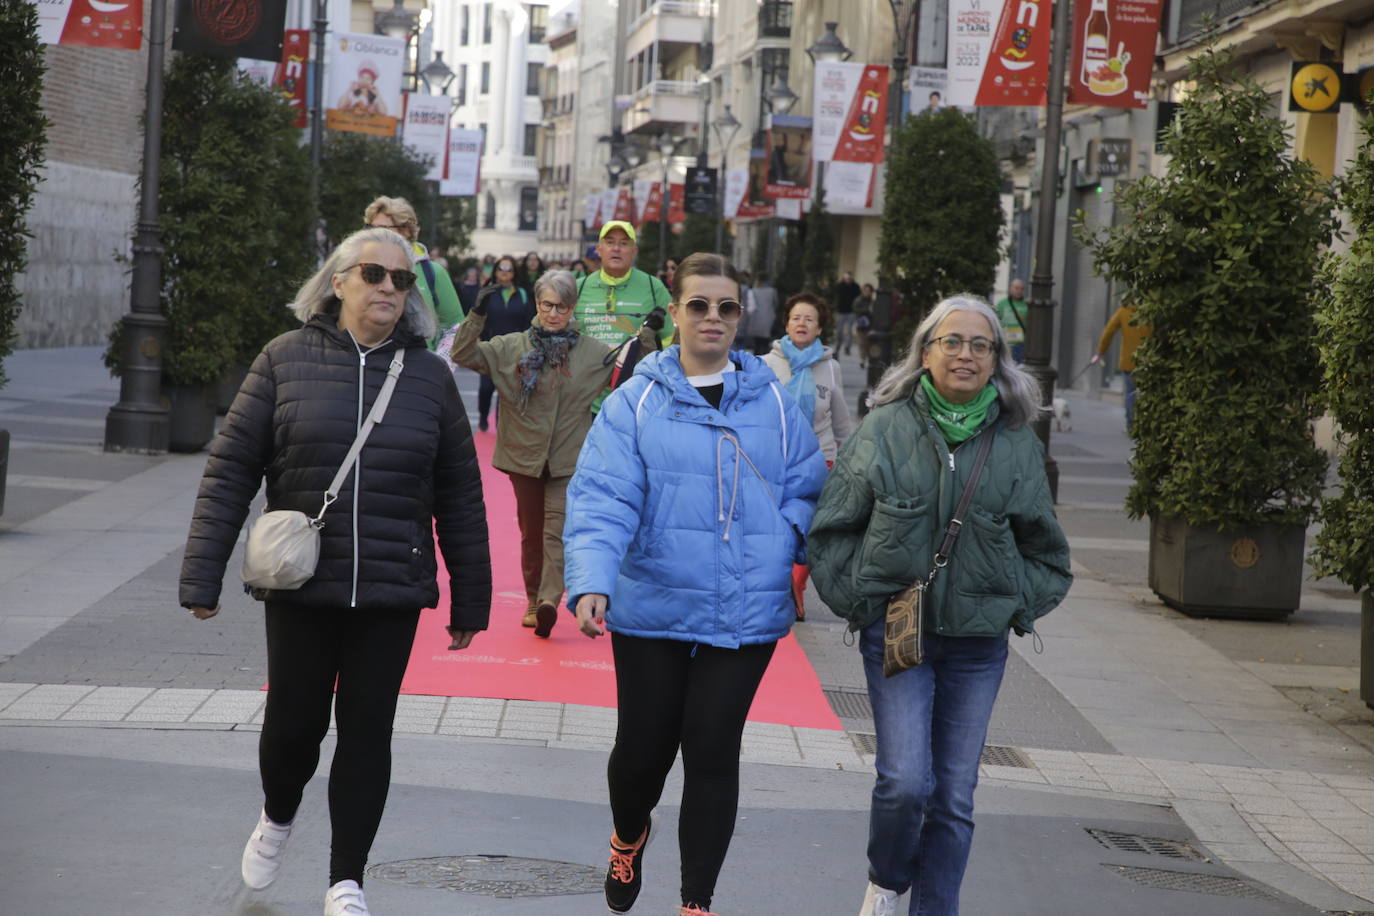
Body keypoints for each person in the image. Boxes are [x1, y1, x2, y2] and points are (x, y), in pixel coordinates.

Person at [179, 227, 493, 916]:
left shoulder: (430, 379)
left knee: (366, 731)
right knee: (293, 726)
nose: (388, 288)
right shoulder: (284, 360)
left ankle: (346, 879)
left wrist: (473, 598)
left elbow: (460, 494)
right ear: (338, 281)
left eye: (401, 280)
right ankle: (278, 811)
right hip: (302, 584)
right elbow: (232, 467)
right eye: (374, 274)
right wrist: (203, 574)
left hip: (390, 584)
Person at [563, 253, 828, 916]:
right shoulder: (637, 399)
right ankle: (629, 833)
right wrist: (593, 579)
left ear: (741, 317)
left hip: (746, 609)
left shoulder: (773, 395)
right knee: (643, 752)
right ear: (676, 313)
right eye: (699, 305)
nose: (713, 318)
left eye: (727, 308)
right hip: (652, 600)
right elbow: (602, 496)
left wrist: (784, 547)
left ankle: (695, 903)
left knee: (712, 747)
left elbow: (808, 485)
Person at [808, 295, 1071, 916]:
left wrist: (1009, 603)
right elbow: (831, 531)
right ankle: (887, 879)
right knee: (904, 782)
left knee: (953, 793)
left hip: (977, 648)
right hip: (900, 634)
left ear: (997, 362)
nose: (966, 354)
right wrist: (861, 603)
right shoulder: (884, 428)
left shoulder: (1016, 443)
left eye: (981, 345)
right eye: (952, 341)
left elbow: (1048, 555)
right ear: (924, 353)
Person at [450, 270, 661, 636]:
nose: (553, 313)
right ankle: (533, 599)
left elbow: (638, 370)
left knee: (556, 530)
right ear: (537, 304)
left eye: (561, 307)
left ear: (572, 308)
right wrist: (477, 315)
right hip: (523, 456)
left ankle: (548, 600)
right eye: (547, 305)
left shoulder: (594, 352)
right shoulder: (511, 347)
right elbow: (463, 353)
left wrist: (649, 334)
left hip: (569, 458)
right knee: (531, 533)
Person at [763, 292, 855, 621]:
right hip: (777, 459)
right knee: (779, 524)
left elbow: (841, 418)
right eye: (796, 318)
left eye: (810, 319)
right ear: (786, 324)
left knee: (812, 529)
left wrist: (851, 455)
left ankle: (796, 586)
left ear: (819, 329)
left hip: (821, 457)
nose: (802, 323)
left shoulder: (830, 367)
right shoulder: (766, 364)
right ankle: (779, 583)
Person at [573, 220, 676, 409]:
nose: (616, 249)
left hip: (636, 399)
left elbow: (671, 340)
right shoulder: (579, 288)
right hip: (585, 400)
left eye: (624, 243)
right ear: (599, 249)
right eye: (610, 242)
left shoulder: (654, 288)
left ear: (634, 251)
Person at [364, 197, 463, 349]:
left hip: (419, 368)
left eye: (383, 229)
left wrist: (440, 366)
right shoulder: (358, 268)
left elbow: (454, 329)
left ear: (406, 231)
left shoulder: (433, 272)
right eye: (371, 228)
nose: (375, 235)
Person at [473, 255, 537, 431]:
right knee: (486, 388)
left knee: (508, 391)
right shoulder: (488, 292)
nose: (505, 272)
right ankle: (483, 416)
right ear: (495, 271)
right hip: (490, 348)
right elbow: (477, 317)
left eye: (509, 269)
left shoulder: (523, 293)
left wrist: (527, 344)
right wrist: (476, 337)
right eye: (501, 268)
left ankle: (502, 425)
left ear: (514, 273)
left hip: (514, 350)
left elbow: (529, 319)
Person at [1090, 298, 1151, 426]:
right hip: (1148, 361)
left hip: (1129, 362)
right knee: (1147, 393)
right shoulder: (1149, 311)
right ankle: (1146, 424)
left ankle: (1131, 424)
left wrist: (1100, 352)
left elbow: (1108, 332)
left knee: (1130, 393)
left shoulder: (1123, 311)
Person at [741, 272, 779, 356]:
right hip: (768, 319)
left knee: (757, 344)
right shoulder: (772, 291)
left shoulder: (753, 291)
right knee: (765, 343)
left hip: (755, 320)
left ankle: (757, 360)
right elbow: (775, 304)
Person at [994, 278, 1028, 363]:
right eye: (1016, 288)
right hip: (1005, 343)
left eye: (1022, 289)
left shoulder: (1027, 305)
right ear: (1011, 288)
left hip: (1021, 345)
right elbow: (996, 322)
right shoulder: (1002, 304)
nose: (1019, 291)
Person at [834, 271, 862, 356]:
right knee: (839, 331)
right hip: (840, 311)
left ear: (851, 278)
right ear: (843, 278)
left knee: (849, 330)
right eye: (846, 278)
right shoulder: (839, 286)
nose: (847, 280)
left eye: (849, 278)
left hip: (851, 312)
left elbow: (859, 298)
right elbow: (835, 296)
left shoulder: (856, 287)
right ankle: (837, 347)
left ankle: (847, 348)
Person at [854, 282, 876, 368]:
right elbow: (855, 309)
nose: (867, 292)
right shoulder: (858, 300)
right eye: (865, 290)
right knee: (862, 343)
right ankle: (862, 360)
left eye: (869, 291)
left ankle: (867, 358)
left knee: (868, 344)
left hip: (871, 326)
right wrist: (867, 310)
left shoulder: (873, 301)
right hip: (861, 325)